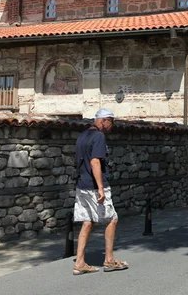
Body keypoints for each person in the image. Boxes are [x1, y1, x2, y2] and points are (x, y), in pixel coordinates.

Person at [73, 108, 128, 275]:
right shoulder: (99, 136)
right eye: (111, 121)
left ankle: (80, 262)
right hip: (95, 186)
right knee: (112, 219)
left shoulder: (82, 136)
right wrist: (101, 189)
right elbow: (95, 162)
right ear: (103, 120)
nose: (112, 125)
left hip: (82, 185)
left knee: (87, 221)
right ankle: (109, 260)